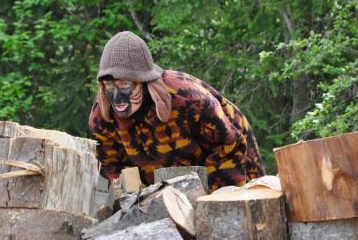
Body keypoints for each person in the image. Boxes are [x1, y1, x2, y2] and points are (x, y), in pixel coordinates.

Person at [88, 31, 265, 191]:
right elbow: (112, 166)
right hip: (164, 175)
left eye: (124, 84)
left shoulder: (191, 100)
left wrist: (214, 200)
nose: (117, 98)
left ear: (144, 81)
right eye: (109, 86)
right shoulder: (102, 118)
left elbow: (227, 147)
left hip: (233, 151)